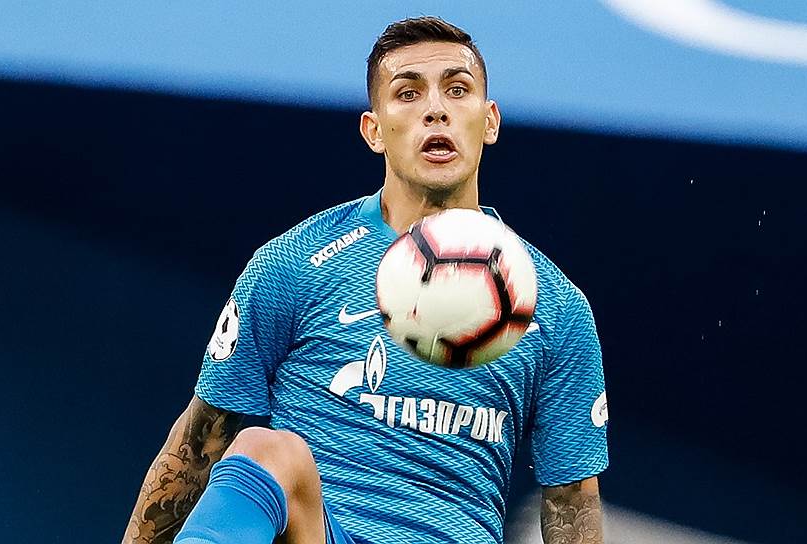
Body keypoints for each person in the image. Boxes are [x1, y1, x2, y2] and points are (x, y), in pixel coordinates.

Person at [123, 16, 609, 544]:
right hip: (322, 532)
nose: (436, 109)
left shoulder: (556, 305)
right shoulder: (294, 264)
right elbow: (198, 447)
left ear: (489, 121)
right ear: (374, 130)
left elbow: (571, 500)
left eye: (457, 89)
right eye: (408, 93)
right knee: (267, 449)